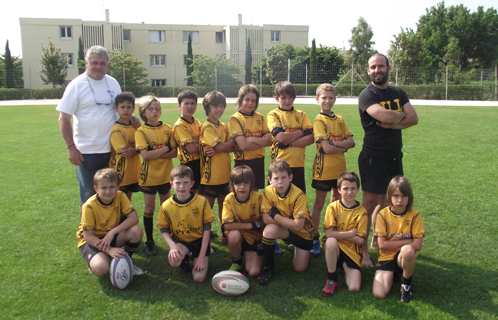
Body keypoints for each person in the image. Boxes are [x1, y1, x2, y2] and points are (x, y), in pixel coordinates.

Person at [358, 53, 418, 267]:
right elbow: (388, 116)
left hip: (394, 158)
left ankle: (378, 240)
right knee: (370, 205)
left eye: (380, 66)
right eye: (373, 67)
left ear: (388, 68)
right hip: (373, 158)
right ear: (368, 70)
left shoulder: (398, 92)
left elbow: (415, 118)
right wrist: (398, 117)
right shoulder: (367, 95)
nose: (377, 70)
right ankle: (363, 251)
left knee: (388, 204)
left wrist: (393, 123)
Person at [57, 46, 124, 208]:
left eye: (102, 63)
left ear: (107, 65)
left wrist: (132, 118)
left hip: (113, 150)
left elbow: (119, 110)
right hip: (87, 153)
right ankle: (87, 233)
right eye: (94, 63)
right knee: (89, 196)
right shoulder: (77, 85)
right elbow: (63, 117)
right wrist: (71, 147)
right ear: (86, 63)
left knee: (112, 194)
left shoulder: (113, 83)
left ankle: (110, 231)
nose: (98, 67)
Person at [310, 84, 355, 258]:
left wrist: (334, 144)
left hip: (340, 171)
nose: (327, 101)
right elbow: (326, 150)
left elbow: (351, 142)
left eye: (330, 97)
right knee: (320, 204)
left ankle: (330, 234)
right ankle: (314, 236)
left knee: (335, 204)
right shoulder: (319, 121)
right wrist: (342, 146)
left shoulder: (340, 119)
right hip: (323, 170)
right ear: (317, 99)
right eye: (324, 98)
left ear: (335, 99)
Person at [76, 168, 144, 277]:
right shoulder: (89, 206)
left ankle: (125, 262)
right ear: (96, 189)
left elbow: (134, 218)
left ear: (118, 187)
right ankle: (102, 259)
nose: (108, 191)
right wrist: (109, 250)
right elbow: (88, 236)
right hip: (93, 241)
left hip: (110, 235)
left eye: (112, 187)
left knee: (136, 231)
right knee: (101, 268)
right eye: (103, 188)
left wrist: (112, 232)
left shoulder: (120, 196)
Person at [258, 159, 315, 285]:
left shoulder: (299, 196)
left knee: (300, 268)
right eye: (276, 178)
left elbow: (299, 226)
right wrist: (287, 221)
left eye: (284, 177)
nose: (280, 182)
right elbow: (266, 219)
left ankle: (297, 248)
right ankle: (268, 268)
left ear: (291, 177)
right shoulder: (267, 191)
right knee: (268, 231)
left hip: (303, 234)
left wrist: (276, 216)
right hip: (286, 228)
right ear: (270, 180)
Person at [135, 95, 177, 256]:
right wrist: (165, 148)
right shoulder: (141, 131)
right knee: (150, 208)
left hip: (166, 175)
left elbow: (174, 152)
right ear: (143, 112)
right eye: (150, 109)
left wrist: (158, 152)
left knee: (165, 207)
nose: (154, 112)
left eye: (157, 109)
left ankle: (170, 236)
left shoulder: (167, 129)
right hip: (149, 177)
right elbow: (145, 156)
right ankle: (150, 241)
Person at [372, 176, 425, 303]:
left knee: (408, 251)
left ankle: (406, 285)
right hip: (386, 256)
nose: (400, 200)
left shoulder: (415, 215)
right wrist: (407, 241)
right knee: (379, 293)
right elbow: (382, 245)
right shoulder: (383, 215)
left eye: (404, 196)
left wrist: (404, 245)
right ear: (389, 196)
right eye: (396, 196)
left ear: (409, 197)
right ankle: (395, 274)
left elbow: (417, 245)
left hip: (403, 256)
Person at [158, 165, 214, 282]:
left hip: (200, 242)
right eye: (178, 183)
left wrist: (201, 256)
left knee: (199, 278)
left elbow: (207, 230)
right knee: (174, 261)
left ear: (192, 183)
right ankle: (184, 260)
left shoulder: (202, 202)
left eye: (185, 182)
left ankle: (196, 257)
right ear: (171, 184)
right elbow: (163, 230)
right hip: (181, 242)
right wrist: (173, 247)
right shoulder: (166, 206)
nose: (182, 187)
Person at [321, 172, 367, 297]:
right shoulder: (332, 207)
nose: (349, 192)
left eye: (353, 188)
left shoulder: (362, 212)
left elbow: (361, 241)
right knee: (330, 241)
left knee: (354, 287)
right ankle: (332, 279)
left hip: (352, 251)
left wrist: (338, 234)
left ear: (358, 190)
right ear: (339, 190)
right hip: (336, 246)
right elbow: (329, 234)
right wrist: (351, 233)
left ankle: (343, 264)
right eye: (345, 188)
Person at [199, 91, 236, 244]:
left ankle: (224, 234)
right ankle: (202, 238)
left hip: (225, 176)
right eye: (215, 106)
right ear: (207, 107)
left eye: (221, 106)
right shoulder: (206, 127)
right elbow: (223, 146)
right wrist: (224, 146)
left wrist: (223, 147)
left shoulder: (224, 126)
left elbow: (232, 147)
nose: (219, 110)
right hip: (210, 177)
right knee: (206, 210)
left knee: (224, 208)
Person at [267, 81, 314, 194]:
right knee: (276, 201)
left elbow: (311, 139)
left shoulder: (301, 114)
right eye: (283, 98)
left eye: (290, 97)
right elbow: (281, 137)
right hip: (278, 166)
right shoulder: (273, 114)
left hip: (298, 165)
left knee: (298, 199)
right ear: (277, 98)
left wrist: (289, 143)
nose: (287, 101)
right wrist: (301, 132)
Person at [228, 84, 272, 191]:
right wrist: (261, 141)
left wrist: (251, 139)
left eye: (253, 100)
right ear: (240, 100)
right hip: (242, 163)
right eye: (247, 99)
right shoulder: (235, 118)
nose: (250, 103)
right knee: (240, 195)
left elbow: (270, 141)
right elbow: (243, 145)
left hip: (258, 162)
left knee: (254, 196)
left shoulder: (260, 117)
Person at [221, 165, 263, 277]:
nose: (242, 187)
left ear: (251, 184)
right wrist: (252, 225)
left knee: (253, 272)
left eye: (245, 183)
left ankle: (249, 253)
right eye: (238, 184)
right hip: (238, 234)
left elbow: (264, 222)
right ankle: (237, 261)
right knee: (233, 235)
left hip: (253, 238)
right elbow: (227, 226)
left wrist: (258, 242)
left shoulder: (258, 198)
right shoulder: (229, 199)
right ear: (232, 185)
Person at [109, 92, 140, 200]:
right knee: (119, 203)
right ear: (116, 108)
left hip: (133, 173)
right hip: (121, 174)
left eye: (128, 107)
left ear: (133, 109)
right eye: (122, 107)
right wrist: (138, 150)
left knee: (128, 202)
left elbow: (145, 144)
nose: (126, 110)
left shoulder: (135, 127)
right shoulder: (117, 129)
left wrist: (136, 150)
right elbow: (125, 152)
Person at [173, 90, 202, 193]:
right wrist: (200, 143)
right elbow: (191, 149)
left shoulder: (197, 122)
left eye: (193, 103)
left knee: (200, 195)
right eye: (186, 103)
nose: (190, 106)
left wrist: (197, 143)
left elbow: (200, 143)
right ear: (179, 106)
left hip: (201, 162)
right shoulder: (180, 125)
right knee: (192, 194)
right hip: (189, 165)